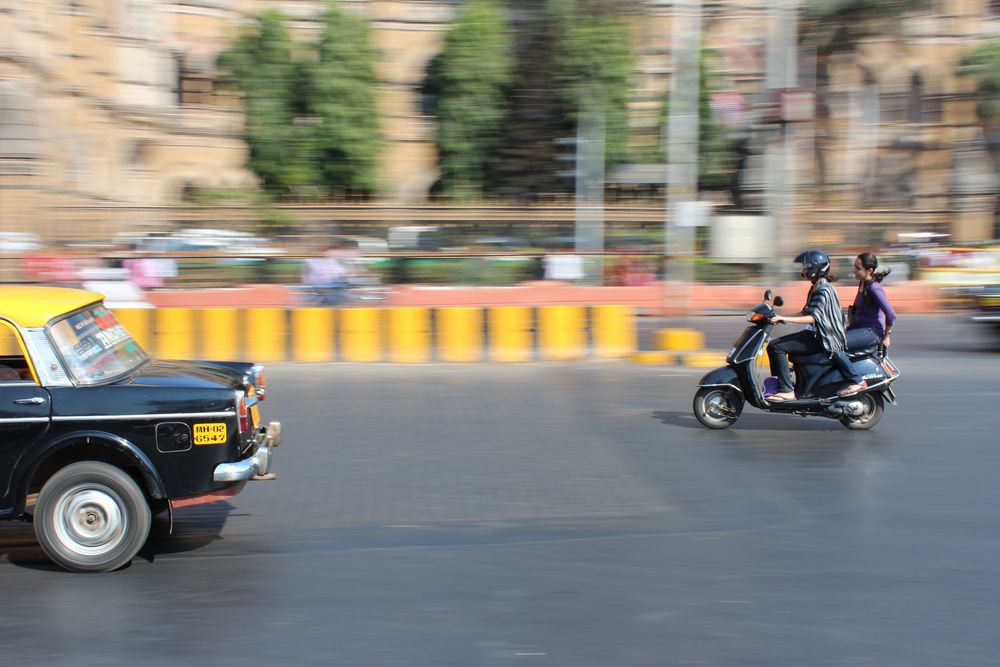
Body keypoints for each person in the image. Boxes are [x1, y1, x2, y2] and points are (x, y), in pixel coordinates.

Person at [766, 250, 863, 402]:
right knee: (775, 345)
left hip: (825, 338)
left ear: (816, 268)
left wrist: (784, 317)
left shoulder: (824, 290)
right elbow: (805, 312)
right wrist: (781, 317)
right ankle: (782, 385)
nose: (803, 269)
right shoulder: (817, 287)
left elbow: (812, 318)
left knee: (776, 347)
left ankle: (786, 390)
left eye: (806, 266)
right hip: (818, 334)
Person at [846, 252, 896, 356]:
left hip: (871, 332)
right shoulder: (863, 282)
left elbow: (891, 314)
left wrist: (886, 336)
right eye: (854, 266)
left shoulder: (874, 288)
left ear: (869, 270)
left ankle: (850, 373)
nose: (853, 270)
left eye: (858, 268)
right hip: (859, 328)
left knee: (835, 344)